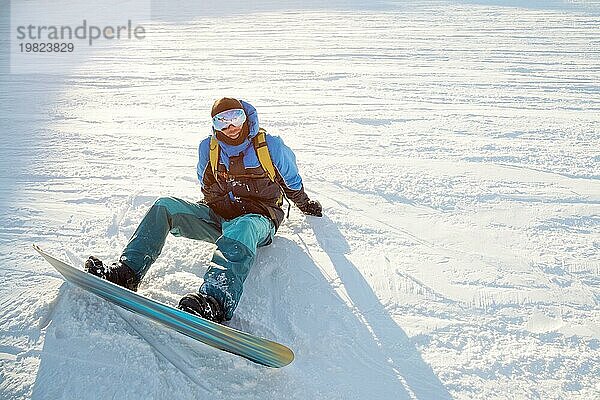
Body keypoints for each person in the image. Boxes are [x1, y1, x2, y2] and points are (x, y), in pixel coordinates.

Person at [84, 97, 322, 323]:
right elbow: (206, 185)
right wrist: (219, 206)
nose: (230, 126)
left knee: (243, 226)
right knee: (165, 206)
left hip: (259, 219)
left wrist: (305, 203)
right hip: (220, 216)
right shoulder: (208, 148)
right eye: (222, 120)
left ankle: (215, 300)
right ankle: (127, 272)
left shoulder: (269, 146)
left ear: (246, 117)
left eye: (235, 117)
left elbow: (291, 181)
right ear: (214, 124)